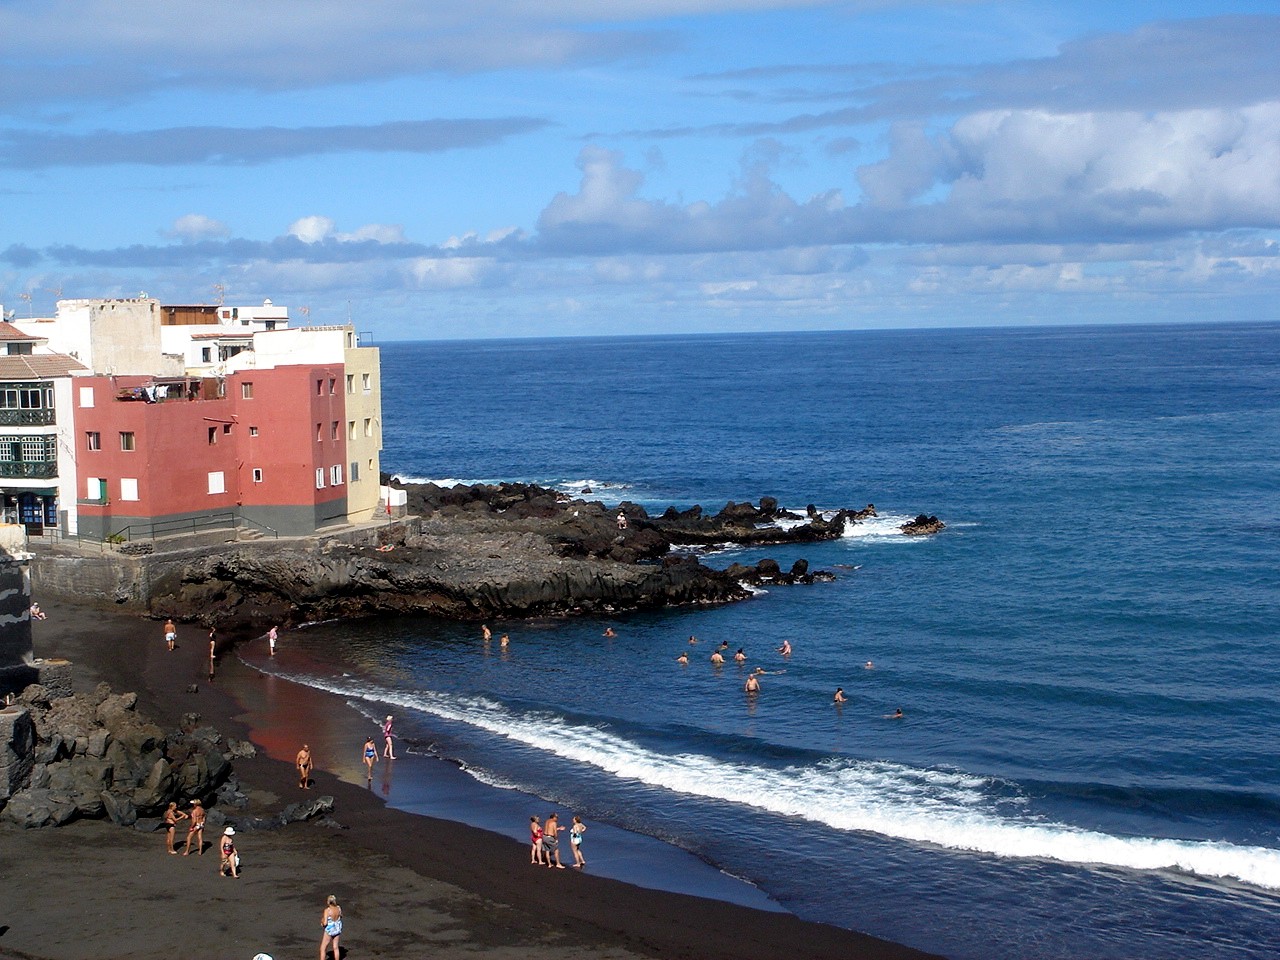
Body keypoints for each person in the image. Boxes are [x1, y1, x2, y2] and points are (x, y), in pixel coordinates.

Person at [320, 894, 343, 960]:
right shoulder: (338, 908)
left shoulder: (327, 910)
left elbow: (325, 923)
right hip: (337, 928)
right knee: (335, 947)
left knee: (323, 948)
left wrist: (322, 921)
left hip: (330, 929)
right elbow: (340, 916)